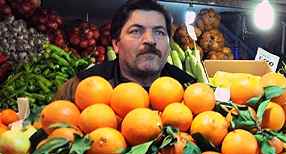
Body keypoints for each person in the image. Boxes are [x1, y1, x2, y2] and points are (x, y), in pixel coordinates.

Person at [54, 0, 196, 102]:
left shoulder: (191, 91)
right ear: (116, 44)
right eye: (136, 31)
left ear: (169, 45)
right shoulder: (77, 90)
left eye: (159, 32)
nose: (150, 40)